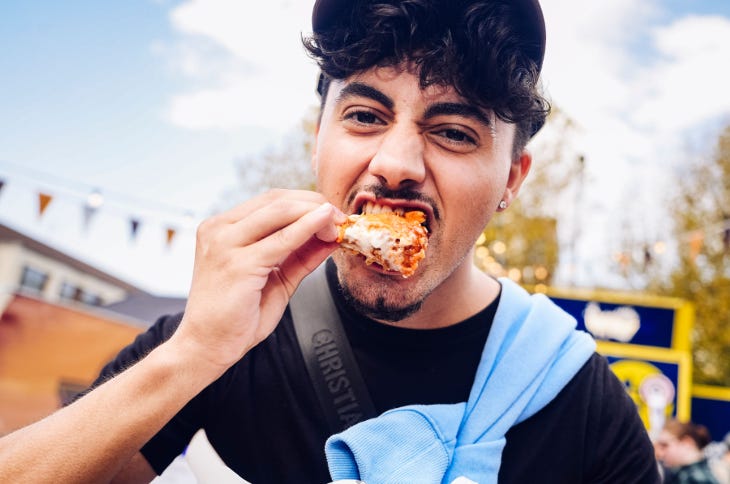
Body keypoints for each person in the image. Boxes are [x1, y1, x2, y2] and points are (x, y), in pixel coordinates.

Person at [0, 0, 661, 482]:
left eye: (455, 131)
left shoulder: (581, 402)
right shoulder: (221, 338)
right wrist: (193, 356)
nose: (397, 161)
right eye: (365, 115)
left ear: (512, 178)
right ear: (319, 138)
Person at [655, 419, 719, 484]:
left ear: (687, 443)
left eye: (664, 445)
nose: (659, 453)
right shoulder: (682, 475)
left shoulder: (697, 479)